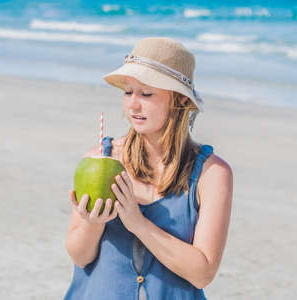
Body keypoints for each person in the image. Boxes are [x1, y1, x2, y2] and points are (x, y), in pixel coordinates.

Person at [64, 37, 233, 300]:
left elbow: (202, 273)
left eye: (146, 94)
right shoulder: (100, 158)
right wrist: (92, 225)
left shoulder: (212, 174)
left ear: (178, 101)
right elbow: (80, 256)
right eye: (128, 92)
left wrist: (138, 223)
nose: (133, 104)